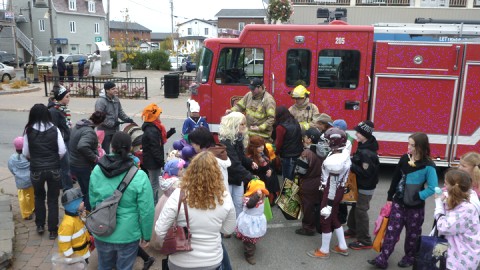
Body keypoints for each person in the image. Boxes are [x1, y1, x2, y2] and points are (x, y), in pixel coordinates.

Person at [155, 151, 236, 270]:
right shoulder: (224, 197)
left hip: (179, 262)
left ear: (191, 170)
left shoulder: (178, 194)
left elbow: (160, 230)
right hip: (212, 261)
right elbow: (228, 229)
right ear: (217, 174)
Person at [368, 132, 438, 269]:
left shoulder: (429, 165)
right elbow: (395, 178)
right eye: (408, 144)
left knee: (412, 235)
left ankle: (409, 257)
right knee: (391, 232)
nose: (409, 147)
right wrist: (390, 197)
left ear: (421, 147)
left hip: (416, 207)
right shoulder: (404, 158)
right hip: (398, 203)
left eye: (413, 145)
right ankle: (383, 258)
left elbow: (433, 187)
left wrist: (419, 196)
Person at [89, 132, 154, 270]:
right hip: (128, 234)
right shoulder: (139, 175)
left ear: (112, 147)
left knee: (104, 266)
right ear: (130, 148)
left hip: (103, 229)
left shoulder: (97, 170)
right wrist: (146, 235)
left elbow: (93, 200)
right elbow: (147, 210)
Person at [23, 104, 66, 239]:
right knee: (53, 199)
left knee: (39, 197)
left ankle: (40, 225)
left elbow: (26, 152)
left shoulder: (28, 130)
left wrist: (35, 158)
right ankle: (53, 230)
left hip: (36, 169)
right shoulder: (55, 129)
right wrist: (53, 159)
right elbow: (62, 151)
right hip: (54, 168)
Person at [307, 128, 350, 259]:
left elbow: (332, 183)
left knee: (325, 220)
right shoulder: (343, 152)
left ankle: (324, 250)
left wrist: (329, 204)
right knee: (334, 218)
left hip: (332, 191)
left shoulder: (336, 161)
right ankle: (342, 246)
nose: (325, 144)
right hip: (339, 189)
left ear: (334, 142)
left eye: (327, 141)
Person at [434, 169, 480, 270]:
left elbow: (444, 227)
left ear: (453, 187)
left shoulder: (467, 209)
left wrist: (438, 205)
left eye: (445, 184)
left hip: (459, 260)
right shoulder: (461, 200)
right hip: (456, 255)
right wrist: (445, 199)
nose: (444, 187)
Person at [345, 121, 380, 250]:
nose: (356, 134)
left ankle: (365, 240)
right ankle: (353, 229)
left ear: (365, 134)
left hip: (365, 186)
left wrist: (350, 164)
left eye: (359, 132)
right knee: (355, 206)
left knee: (361, 210)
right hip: (360, 185)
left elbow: (365, 172)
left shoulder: (367, 153)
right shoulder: (363, 146)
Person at [219, 112, 256, 218]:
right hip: (228, 178)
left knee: (239, 204)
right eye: (242, 124)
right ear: (234, 124)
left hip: (237, 177)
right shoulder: (226, 142)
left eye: (245, 124)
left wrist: (250, 162)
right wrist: (250, 177)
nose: (245, 127)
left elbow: (241, 156)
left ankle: (238, 226)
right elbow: (234, 164)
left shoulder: (238, 138)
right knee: (228, 205)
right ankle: (227, 229)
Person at [69, 111, 106, 211]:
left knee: (84, 188)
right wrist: (95, 157)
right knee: (88, 190)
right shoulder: (89, 131)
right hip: (81, 165)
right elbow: (82, 146)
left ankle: (83, 208)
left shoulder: (79, 125)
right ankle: (88, 211)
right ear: (100, 122)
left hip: (74, 162)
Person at [141, 103, 176, 205]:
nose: (160, 117)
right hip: (153, 162)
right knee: (154, 184)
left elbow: (159, 140)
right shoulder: (152, 130)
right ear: (154, 117)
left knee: (153, 183)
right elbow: (155, 148)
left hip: (152, 160)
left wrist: (169, 133)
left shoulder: (154, 128)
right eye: (158, 115)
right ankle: (153, 204)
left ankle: (153, 202)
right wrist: (162, 163)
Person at [294, 127, 323, 236]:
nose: (303, 138)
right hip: (319, 181)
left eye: (305, 137)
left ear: (309, 139)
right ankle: (316, 224)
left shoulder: (306, 153)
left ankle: (308, 228)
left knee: (308, 206)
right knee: (316, 204)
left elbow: (300, 171)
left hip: (308, 183)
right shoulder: (322, 150)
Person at [95, 81, 135, 154]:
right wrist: (112, 124)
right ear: (107, 90)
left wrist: (127, 119)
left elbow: (120, 112)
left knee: (117, 149)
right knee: (105, 151)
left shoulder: (116, 99)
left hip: (115, 130)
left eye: (115, 88)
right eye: (113, 89)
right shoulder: (101, 101)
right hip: (105, 131)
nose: (116, 90)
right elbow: (99, 117)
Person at [236, 179, 269, 265]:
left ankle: (244, 238)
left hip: (256, 222)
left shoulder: (261, 198)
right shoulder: (247, 199)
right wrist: (257, 196)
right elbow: (250, 205)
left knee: (251, 236)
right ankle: (249, 255)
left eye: (262, 192)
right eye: (259, 192)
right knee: (249, 240)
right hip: (248, 223)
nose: (261, 194)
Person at [49, 85, 73, 190]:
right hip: (61, 142)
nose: (69, 99)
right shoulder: (54, 111)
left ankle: (63, 183)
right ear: (60, 98)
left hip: (66, 139)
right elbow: (53, 129)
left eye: (69, 96)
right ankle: (67, 188)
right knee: (65, 166)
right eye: (67, 96)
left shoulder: (63, 109)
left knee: (65, 165)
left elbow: (66, 124)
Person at [58, 188, 91, 264]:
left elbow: (81, 227)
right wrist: (70, 257)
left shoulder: (76, 216)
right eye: (80, 202)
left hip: (82, 253)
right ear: (73, 205)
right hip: (76, 258)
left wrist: (83, 217)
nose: (83, 203)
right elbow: (64, 242)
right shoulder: (67, 224)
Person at [246, 135, 280, 202]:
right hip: (259, 182)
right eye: (259, 146)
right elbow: (250, 172)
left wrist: (270, 170)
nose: (262, 148)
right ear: (253, 147)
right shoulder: (249, 158)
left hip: (268, 181)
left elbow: (270, 166)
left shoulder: (264, 154)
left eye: (262, 145)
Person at [8, 137, 34, 220]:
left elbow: (11, 168)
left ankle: (26, 214)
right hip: (30, 180)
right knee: (31, 195)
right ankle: (32, 208)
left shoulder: (12, 158)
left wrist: (16, 175)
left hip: (20, 182)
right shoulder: (29, 157)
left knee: (22, 198)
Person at [274, 106, 303, 181]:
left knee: (287, 180)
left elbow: (278, 143)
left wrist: (274, 153)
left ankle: (286, 193)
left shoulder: (281, 127)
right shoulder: (295, 122)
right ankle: (293, 192)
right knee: (294, 178)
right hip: (298, 154)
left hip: (287, 156)